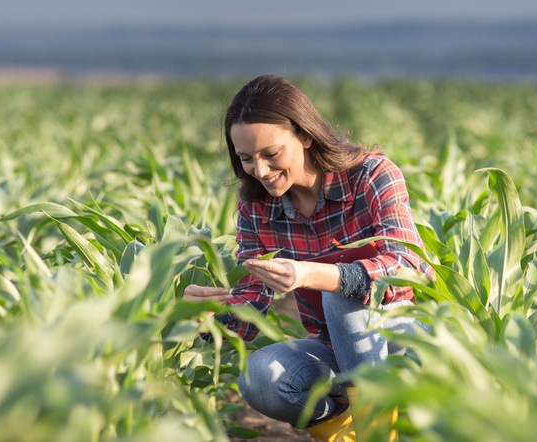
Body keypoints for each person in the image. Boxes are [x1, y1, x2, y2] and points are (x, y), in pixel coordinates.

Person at [184, 74, 434, 441]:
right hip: (335, 348)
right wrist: (201, 316)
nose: (261, 171)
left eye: (271, 154)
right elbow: (250, 313)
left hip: (406, 337)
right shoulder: (257, 209)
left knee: (340, 293)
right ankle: (352, 429)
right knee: (261, 378)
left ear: (305, 135)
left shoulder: (371, 176)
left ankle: (377, 432)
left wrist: (311, 274)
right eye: (246, 159)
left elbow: (410, 267)